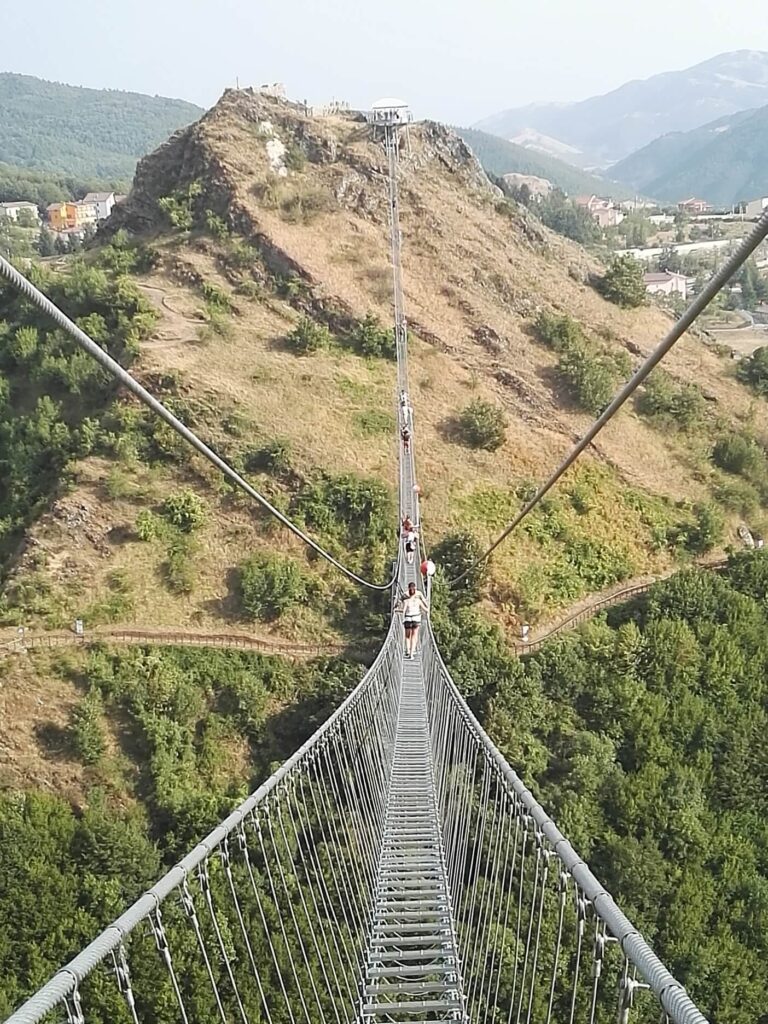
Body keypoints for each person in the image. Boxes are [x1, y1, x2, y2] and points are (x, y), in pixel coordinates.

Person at [398, 581, 429, 658]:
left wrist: (396, 610)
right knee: (414, 636)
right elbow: (426, 608)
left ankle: (408, 650)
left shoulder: (406, 600)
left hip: (407, 619)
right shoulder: (418, 599)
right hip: (416, 619)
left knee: (407, 636)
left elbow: (403, 610)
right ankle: (411, 653)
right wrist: (425, 610)